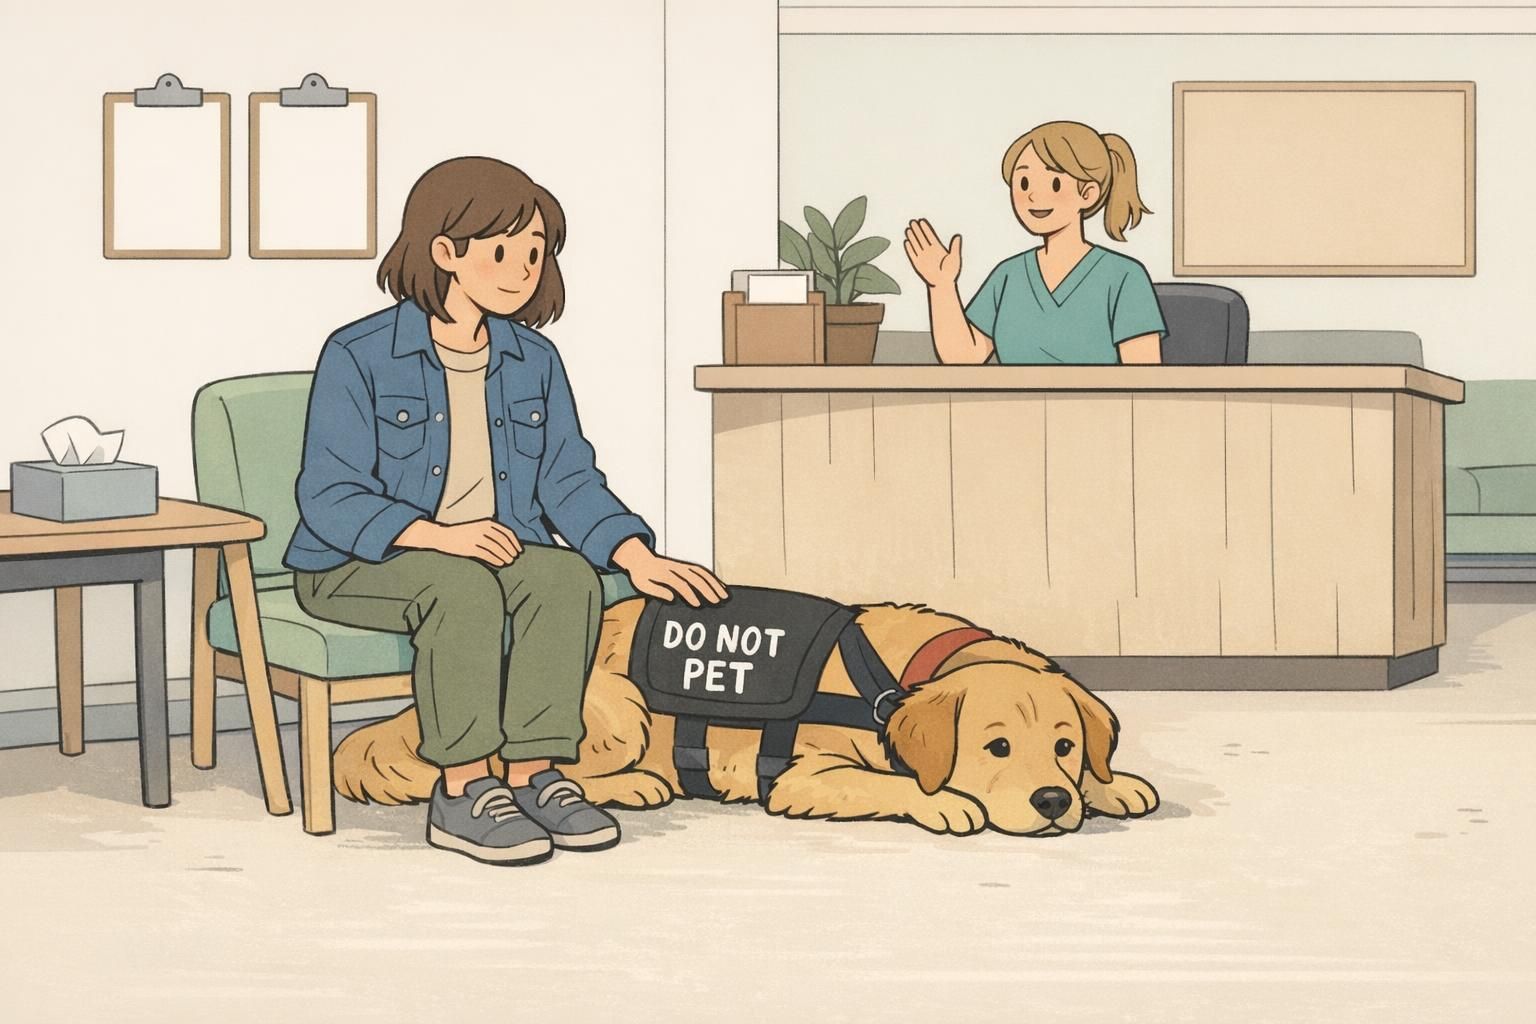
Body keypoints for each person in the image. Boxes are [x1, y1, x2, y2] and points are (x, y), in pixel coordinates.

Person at [283, 156, 727, 866]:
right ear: (445, 253)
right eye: (502, 251)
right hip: (357, 562)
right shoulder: (359, 354)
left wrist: (636, 556)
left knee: (563, 579)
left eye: (534, 253)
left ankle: (533, 775)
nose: (523, 269)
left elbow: (568, 478)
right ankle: (461, 790)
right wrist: (440, 536)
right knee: (459, 587)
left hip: (495, 552)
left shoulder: (533, 360)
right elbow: (329, 497)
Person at [904, 121, 1167, 365]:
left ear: (1087, 193)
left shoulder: (1124, 277)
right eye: (1024, 182)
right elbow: (965, 357)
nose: (1032, 195)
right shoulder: (1009, 275)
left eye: (1054, 183)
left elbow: (1143, 381)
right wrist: (941, 286)